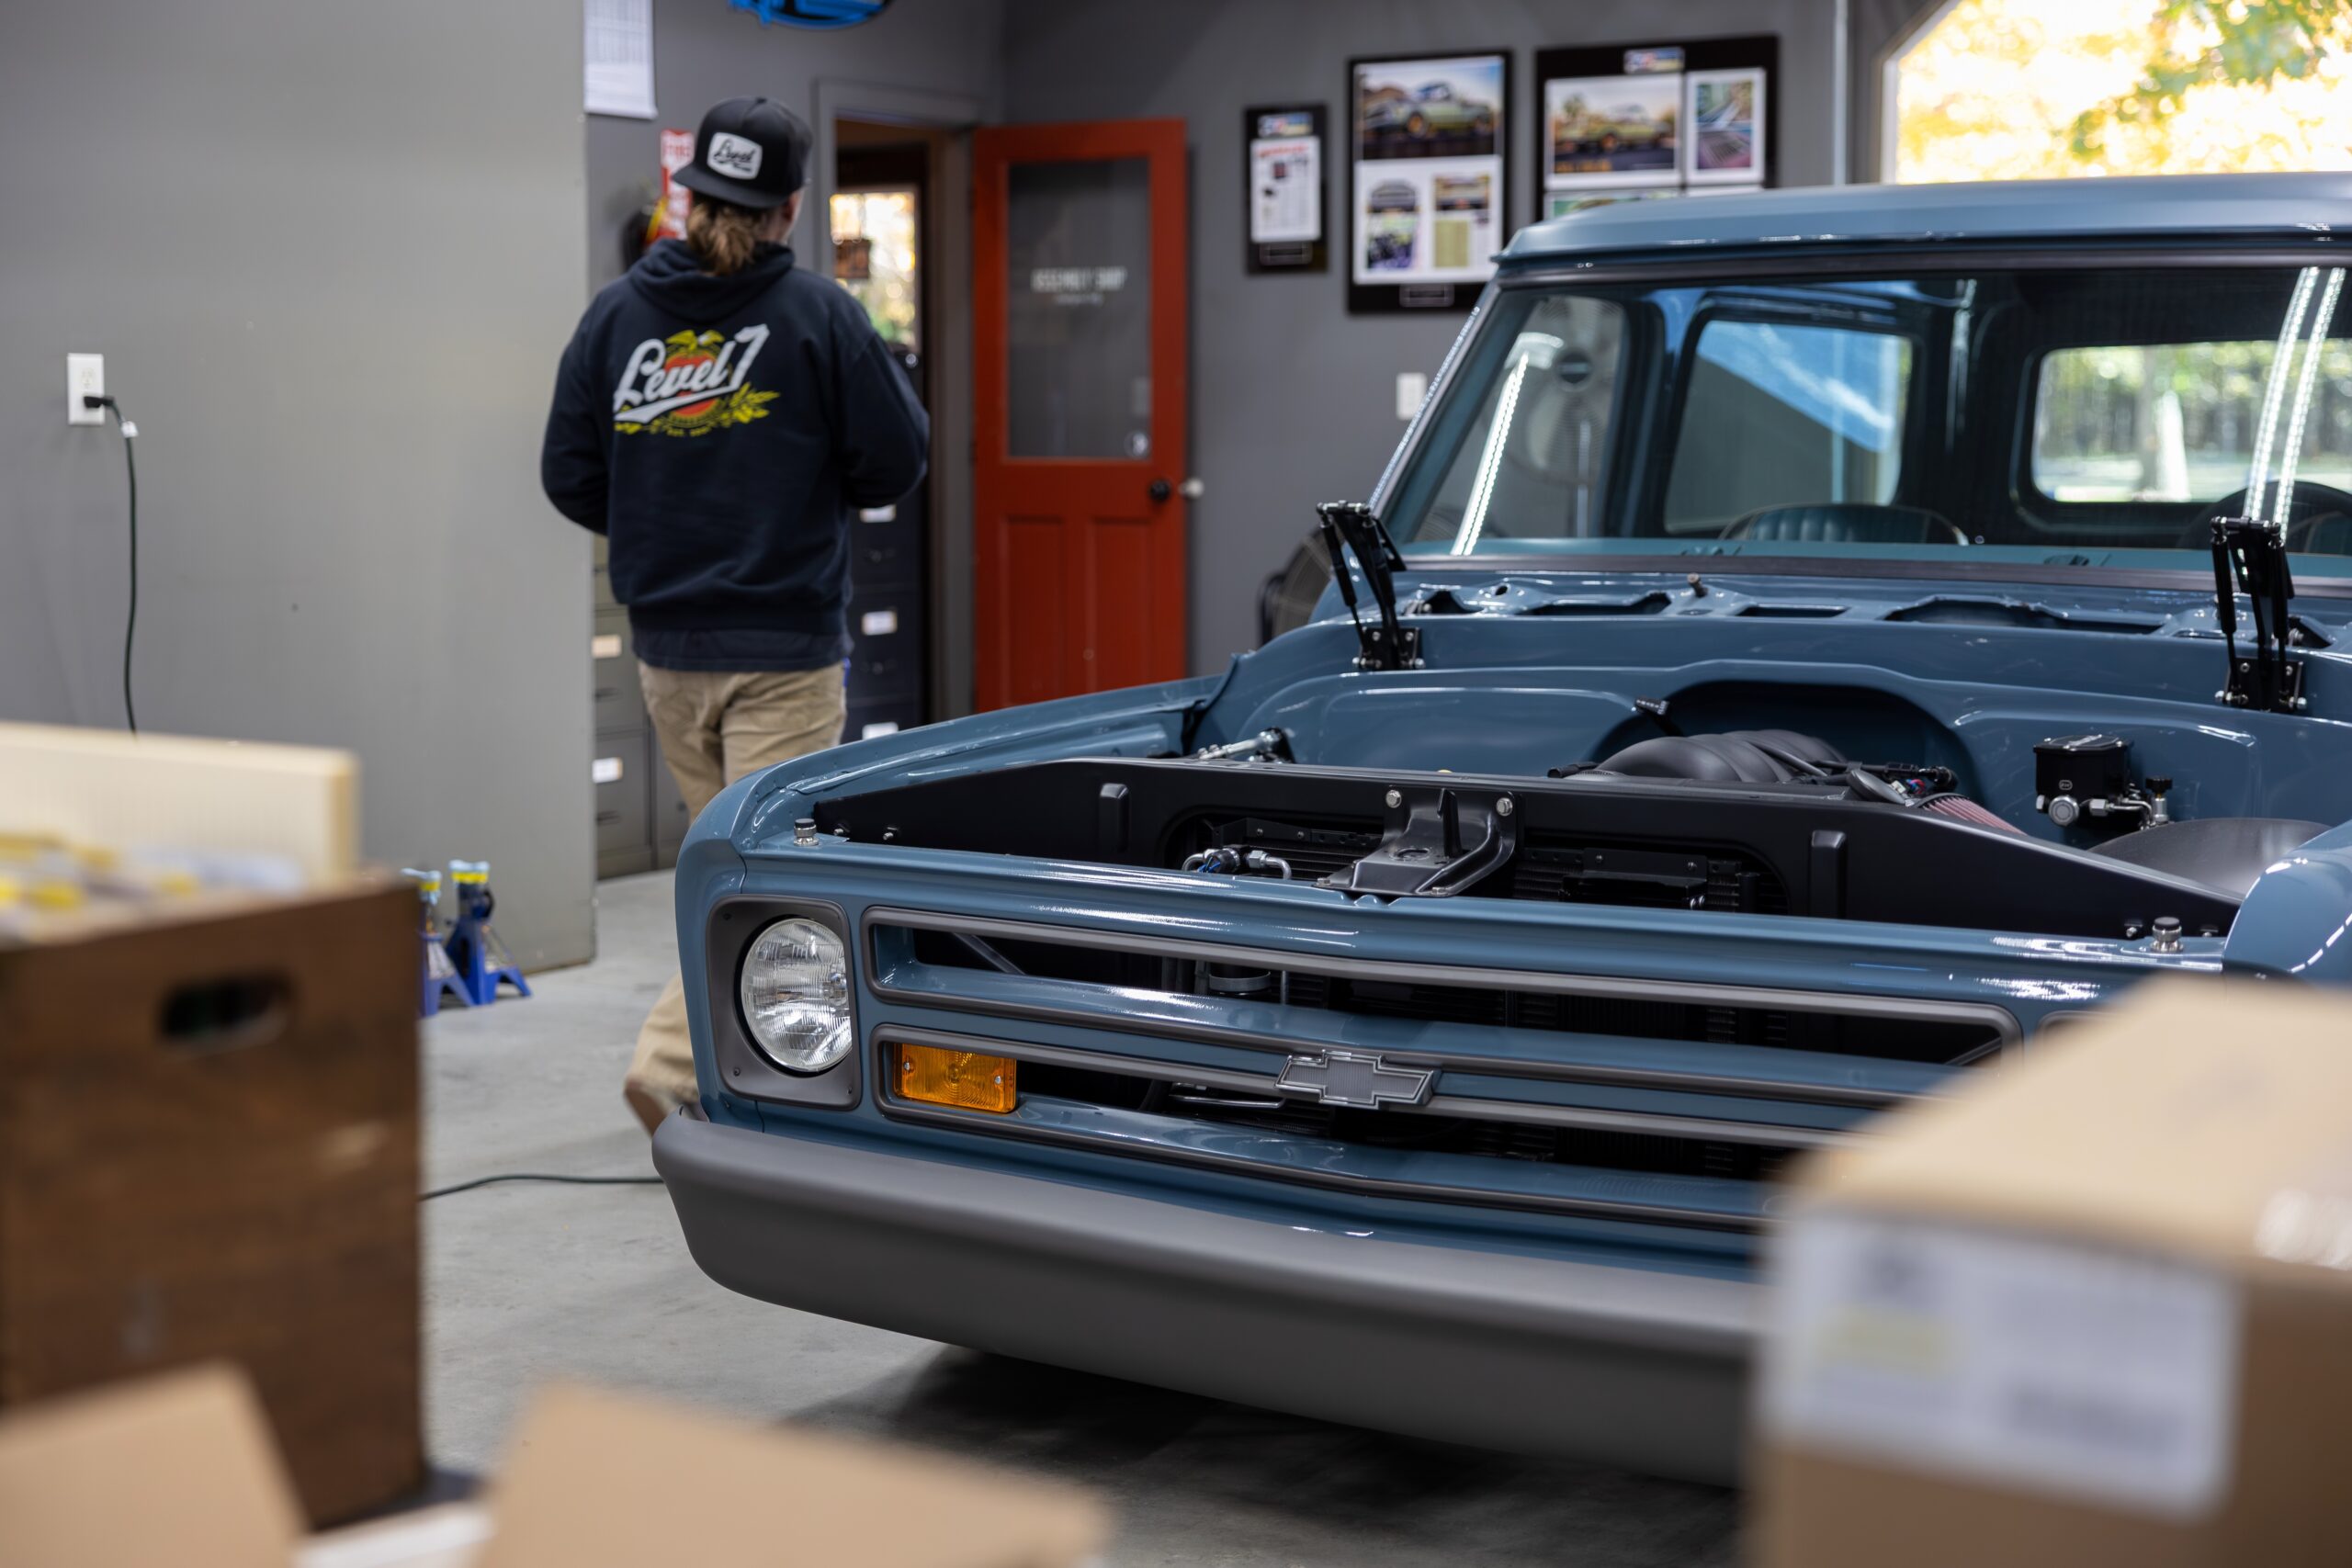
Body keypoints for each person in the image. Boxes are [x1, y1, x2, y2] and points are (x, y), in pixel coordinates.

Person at [541, 96, 929, 1133]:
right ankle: (672, 1065)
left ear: (690, 195)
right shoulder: (818, 315)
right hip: (784, 650)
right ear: (789, 207)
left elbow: (568, 473)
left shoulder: (617, 316)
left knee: (731, 861)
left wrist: (658, 514)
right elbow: (898, 458)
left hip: (667, 652)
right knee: (763, 872)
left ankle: (741, 1081)